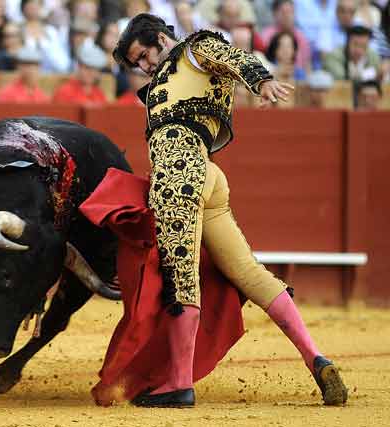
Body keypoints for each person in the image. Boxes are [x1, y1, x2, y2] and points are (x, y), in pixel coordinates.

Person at [110, 13, 347, 407]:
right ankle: (315, 356)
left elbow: (231, 55)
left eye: (144, 55)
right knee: (249, 272)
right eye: (137, 64)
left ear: (159, 38)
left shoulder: (195, 50)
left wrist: (262, 80)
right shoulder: (174, 74)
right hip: (208, 175)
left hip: (180, 175)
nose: (144, 67)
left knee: (180, 277)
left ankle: (179, 384)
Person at [53, 40, 108, 105]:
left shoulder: (99, 93)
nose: (91, 73)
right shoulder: (65, 92)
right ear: (79, 66)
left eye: (95, 70)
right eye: (87, 68)